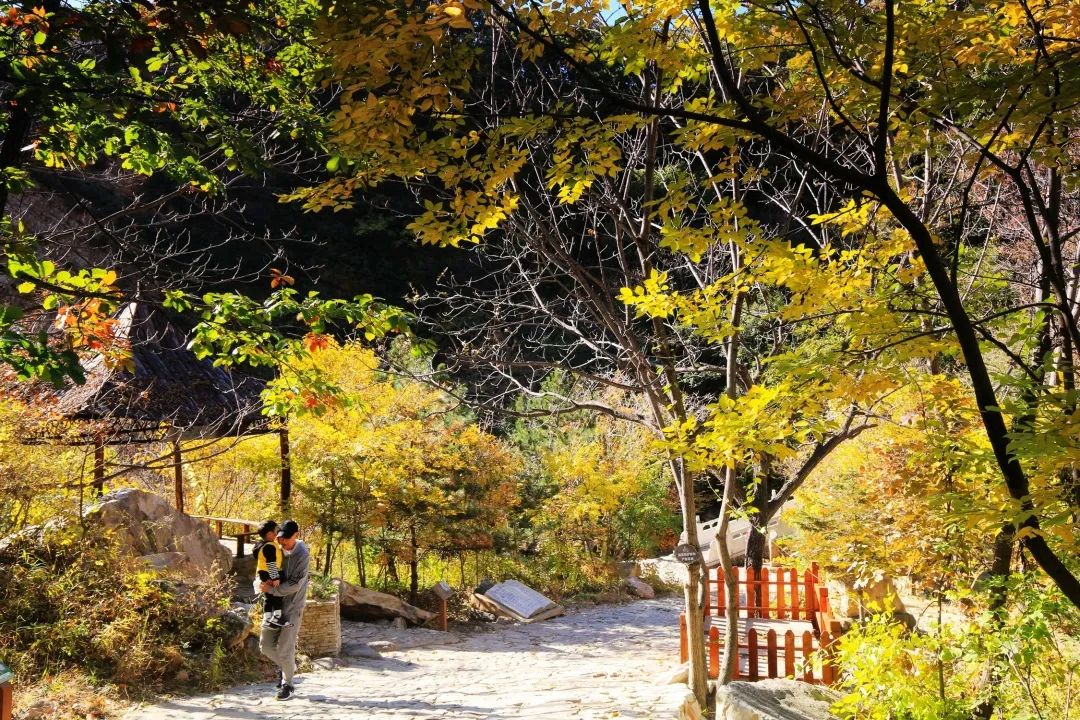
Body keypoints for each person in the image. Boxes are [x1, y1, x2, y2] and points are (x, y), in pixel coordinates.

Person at [258, 519, 309, 701]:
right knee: (265, 646)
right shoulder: (275, 547)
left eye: (287, 539)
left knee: (286, 649)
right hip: (272, 606)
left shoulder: (302, 554)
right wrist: (260, 583)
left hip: (292, 607)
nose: (283, 542)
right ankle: (288, 668)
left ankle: (288, 684)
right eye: (281, 538)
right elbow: (263, 567)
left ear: (297, 535)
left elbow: (295, 584)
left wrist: (272, 589)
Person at [254, 520, 289, 629]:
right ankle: (277, 617)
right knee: (278, 595)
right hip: (271, 574)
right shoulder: (269, 547)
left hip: (263, 574)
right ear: (269, 534)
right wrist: (275, 578)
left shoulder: (261, 545)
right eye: (275, 531)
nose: (277, 532)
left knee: (268, 598)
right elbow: (271, 563)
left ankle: (267, 620)